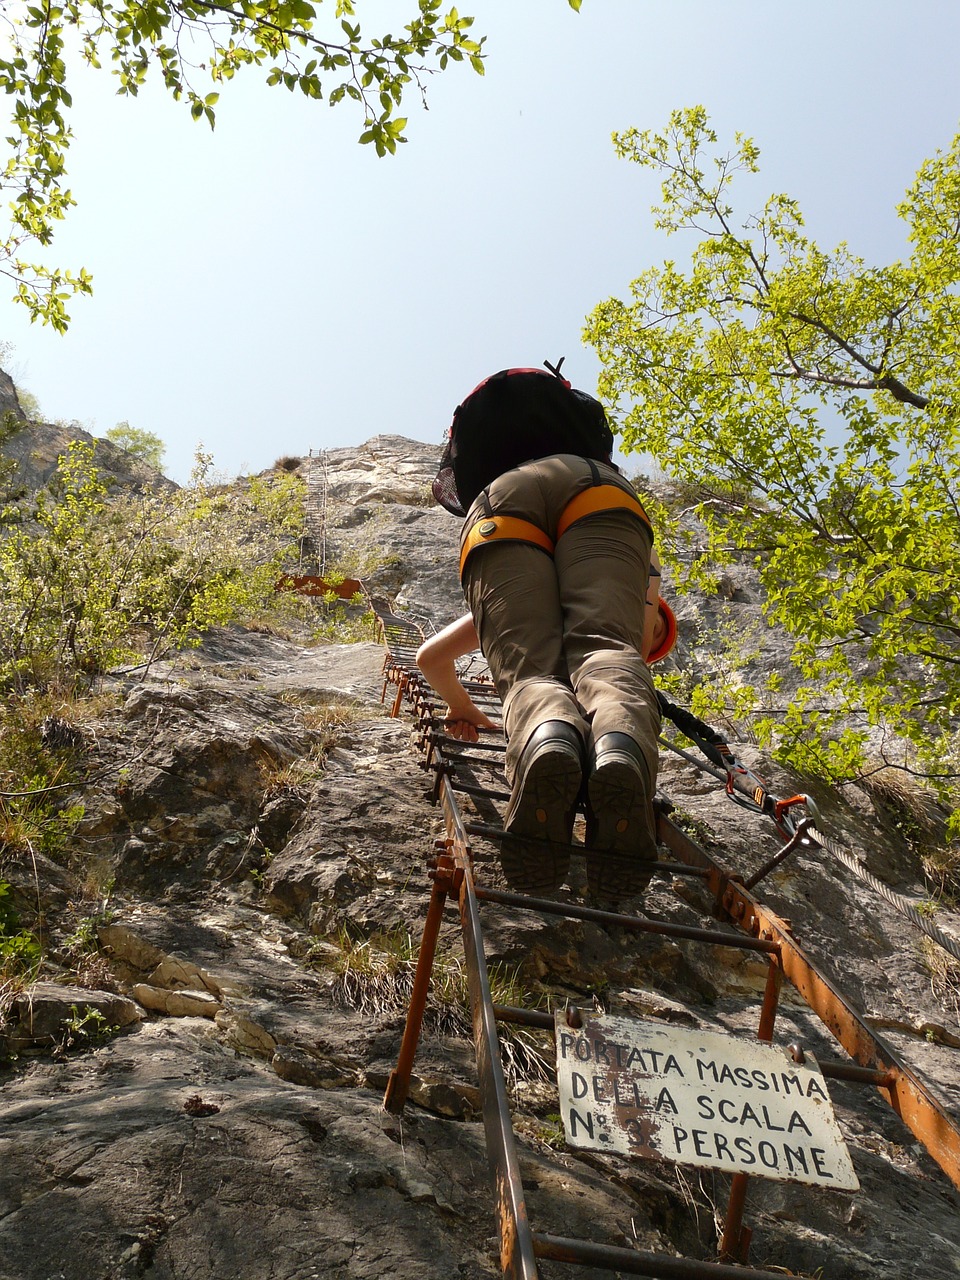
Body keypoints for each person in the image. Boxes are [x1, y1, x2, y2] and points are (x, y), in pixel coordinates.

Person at [418, 365, 665, 905]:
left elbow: (430, 658)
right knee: (607, 649)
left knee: (530, 671)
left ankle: (548, 735)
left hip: (500, 500)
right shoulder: (642, 605)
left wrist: (471, 710)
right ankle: (619, 745)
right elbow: (639, 616)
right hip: (599, 489)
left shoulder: (497, 458)